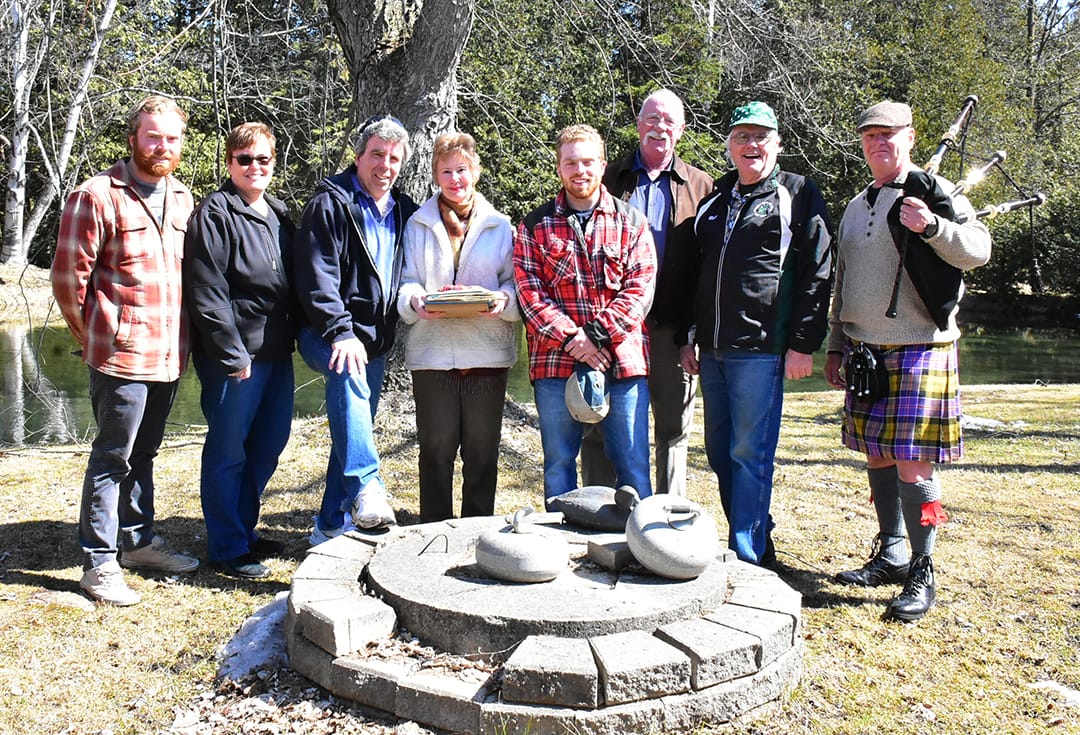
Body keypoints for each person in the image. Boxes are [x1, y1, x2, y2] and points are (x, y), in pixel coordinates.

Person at [825, 101, 991, 621]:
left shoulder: (934, 194)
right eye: (870, 135)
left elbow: (978, 249)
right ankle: (892, 550)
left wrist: (933, 227)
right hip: (865, 349)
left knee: (916, 467)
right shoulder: (855, 206)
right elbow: (842, 280)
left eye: (889, 134)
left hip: (922, 346)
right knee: (877, 456)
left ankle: (924, 566)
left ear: (910, 138)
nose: (879, 143)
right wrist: (836, 341)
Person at [51, 95, 199, 606]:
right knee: (113, 455)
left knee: (146, 453)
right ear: (134, 138)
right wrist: (98, 334)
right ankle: (98, 562)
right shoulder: (97, 195)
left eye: (172, 138)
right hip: (121, 354)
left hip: (168, 353)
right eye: (153, 136)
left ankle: (137, 543)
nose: (162, 146)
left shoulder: (183, 198)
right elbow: (69, 280)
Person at [677, 101, 833, 566]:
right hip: (713, 350)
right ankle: (756, 535)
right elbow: (696, 274)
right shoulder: (715, 199)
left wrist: (803, 343)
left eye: (762, 136)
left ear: (778, 144)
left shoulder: (796, 193)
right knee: (721, 452)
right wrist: (690, 335)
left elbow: (818, 269)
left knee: (750, 450)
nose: (752, 145)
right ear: (729, 145)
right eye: (742, 136)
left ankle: (746, 555)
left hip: (762, 349)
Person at [579, 89, 715, 497]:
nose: (659, 127)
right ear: (638, 125)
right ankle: (598, 510)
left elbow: (706, 269)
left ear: (682, 130)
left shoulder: (702, 187)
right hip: (613, 328)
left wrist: (694, 333)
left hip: (671, 331)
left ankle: (667, 524)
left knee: (672, 429)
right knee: (600, 423)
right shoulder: (610, 178)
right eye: (651, 118)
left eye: (669, 121)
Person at [514, 124, 656, 504]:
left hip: (622, 361)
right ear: (559, 168)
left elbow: (639, 290)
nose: (581, 170)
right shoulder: (533, 226)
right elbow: (530, 295)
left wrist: (594, 337)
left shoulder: (632, 222)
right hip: (554, 365)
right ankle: (556, 550)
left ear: (603, 164)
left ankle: (641, 550)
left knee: (633, 465)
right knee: (559, 465)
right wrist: (574, 341)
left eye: (588, 162)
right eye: (571, 162)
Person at [294, 116, 418, 544]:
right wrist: (339, 331)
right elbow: (317, 277)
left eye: (394, 158)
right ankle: (368, 486)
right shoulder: (330, 204)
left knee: (353, 427)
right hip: (325, 332)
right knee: (346, 375)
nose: (385, 164)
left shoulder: (405, 212)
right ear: (359, 156)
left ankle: (329, 523)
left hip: (374, 340)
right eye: (377, 154)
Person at [184, 122, 297, 579]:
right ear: (230, 163)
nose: (254, 167)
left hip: (276, 354)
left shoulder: (279, 213)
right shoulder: (215, 213)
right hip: (233, 359)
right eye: (244, 159)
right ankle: (227, 547)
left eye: (263, 159)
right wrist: (232, 354)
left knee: (269, 445)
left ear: (274, 163)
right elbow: (206, 289)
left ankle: (244, 529)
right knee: (229, 450)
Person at [396, 133, 519, 522]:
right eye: (446, 171)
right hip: (432, 352)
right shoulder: (417, 223)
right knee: (435, 447)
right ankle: (432, 530)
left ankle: (476, 529)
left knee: (482, 450)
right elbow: (406, 281)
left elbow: (516, 285)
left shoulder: (501, 226)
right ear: (435, 175)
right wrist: (415, 301)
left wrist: (502, 301)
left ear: (476, 172)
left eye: (462, 170)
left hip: (486, 351)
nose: (455, 179)